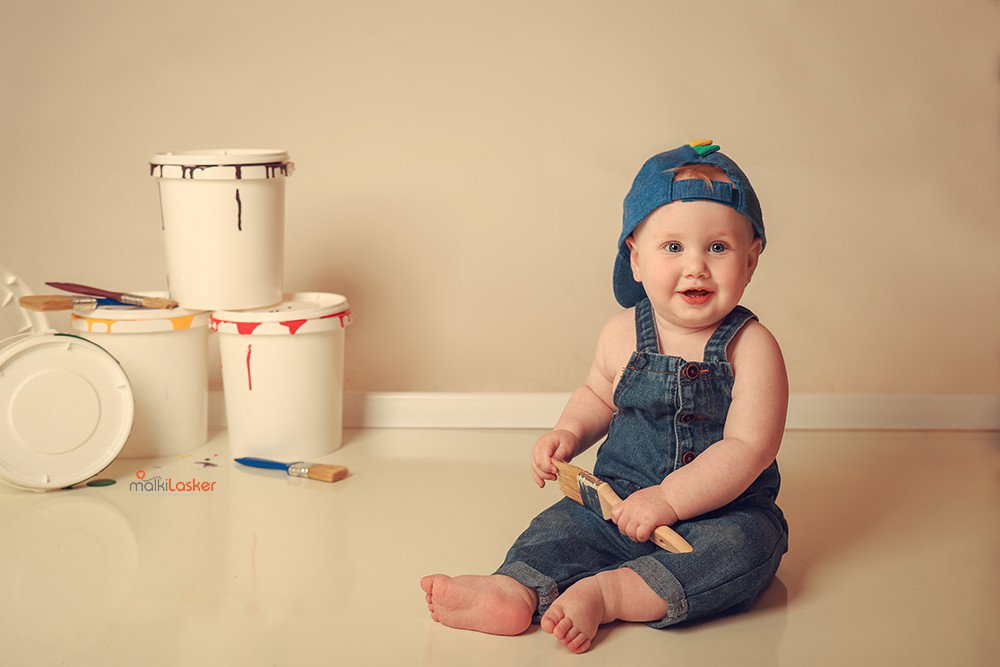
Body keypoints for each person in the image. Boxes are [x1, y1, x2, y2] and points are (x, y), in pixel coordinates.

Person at [421, 140, 789, 654]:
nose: (696, 267)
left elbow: (750, 447)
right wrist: (567, 433)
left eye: (719, 248)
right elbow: (598, 394)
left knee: (748, 549)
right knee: (565, 525)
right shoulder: (621, 334)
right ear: (635, 259)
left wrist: (668, 500)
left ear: (750, 261)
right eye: (673, 247)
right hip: (619, 497)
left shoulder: (753, 348)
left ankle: (612, 593)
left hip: (722, 511)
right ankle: (516, 588)